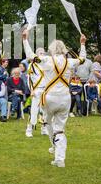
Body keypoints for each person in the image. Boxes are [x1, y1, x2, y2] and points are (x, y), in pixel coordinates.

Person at [22, 29, 87, 168]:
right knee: (60, 129)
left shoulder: (46, 60)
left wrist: (25, 40)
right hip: (65, 98)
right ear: (63, 49)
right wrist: (82, 44)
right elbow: (83, 59)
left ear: (51, 49)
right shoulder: (69, 62)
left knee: (47, 122)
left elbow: (31, 57)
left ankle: (55, 147)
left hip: (50, 98)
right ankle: (59, 158)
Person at [25, 48, 48, 137]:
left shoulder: (46, 64)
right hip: (36, 90)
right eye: (40, 53)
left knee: (45, 111)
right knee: (34, 110)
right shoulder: (32, 65)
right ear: (36, 55)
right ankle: (29, 129)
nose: (42, 54)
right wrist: (32, 90)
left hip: (45, 90)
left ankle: (44, 128)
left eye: (43, 53)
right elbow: (29, 79)